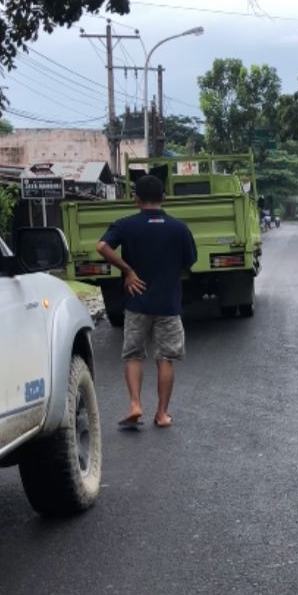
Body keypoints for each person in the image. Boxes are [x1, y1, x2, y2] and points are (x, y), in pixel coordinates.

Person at [96, 175, 197, 430]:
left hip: (136, 303)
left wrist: (128, 271)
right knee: (165, 358)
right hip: (168, 304)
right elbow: (188, 264)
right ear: (163, 197)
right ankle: (162, 414)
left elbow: (102, 247)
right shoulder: (179, 228)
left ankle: (135, 405)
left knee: (133, 354)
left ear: (136, 199)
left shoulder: (125, 225)